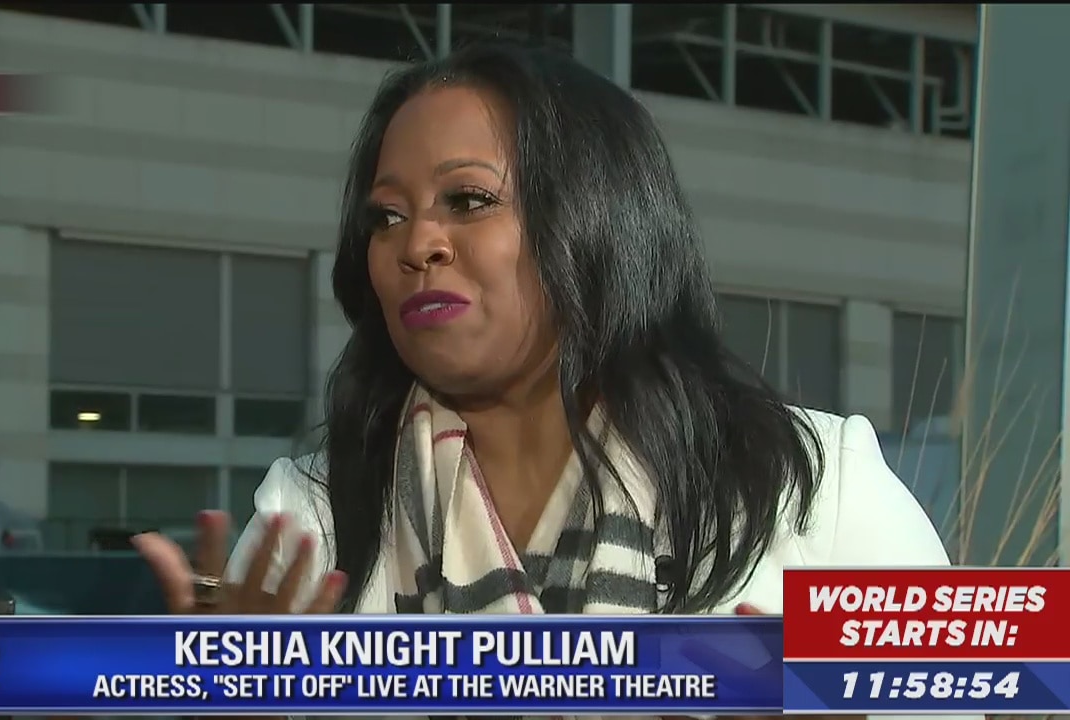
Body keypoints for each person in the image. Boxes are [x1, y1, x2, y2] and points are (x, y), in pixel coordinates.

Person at [133, 41, 975, 720]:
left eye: (468, 200)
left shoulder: (812, 488)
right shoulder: (311, 522)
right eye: (386, 216)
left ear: (595, 217)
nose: (416, 244)